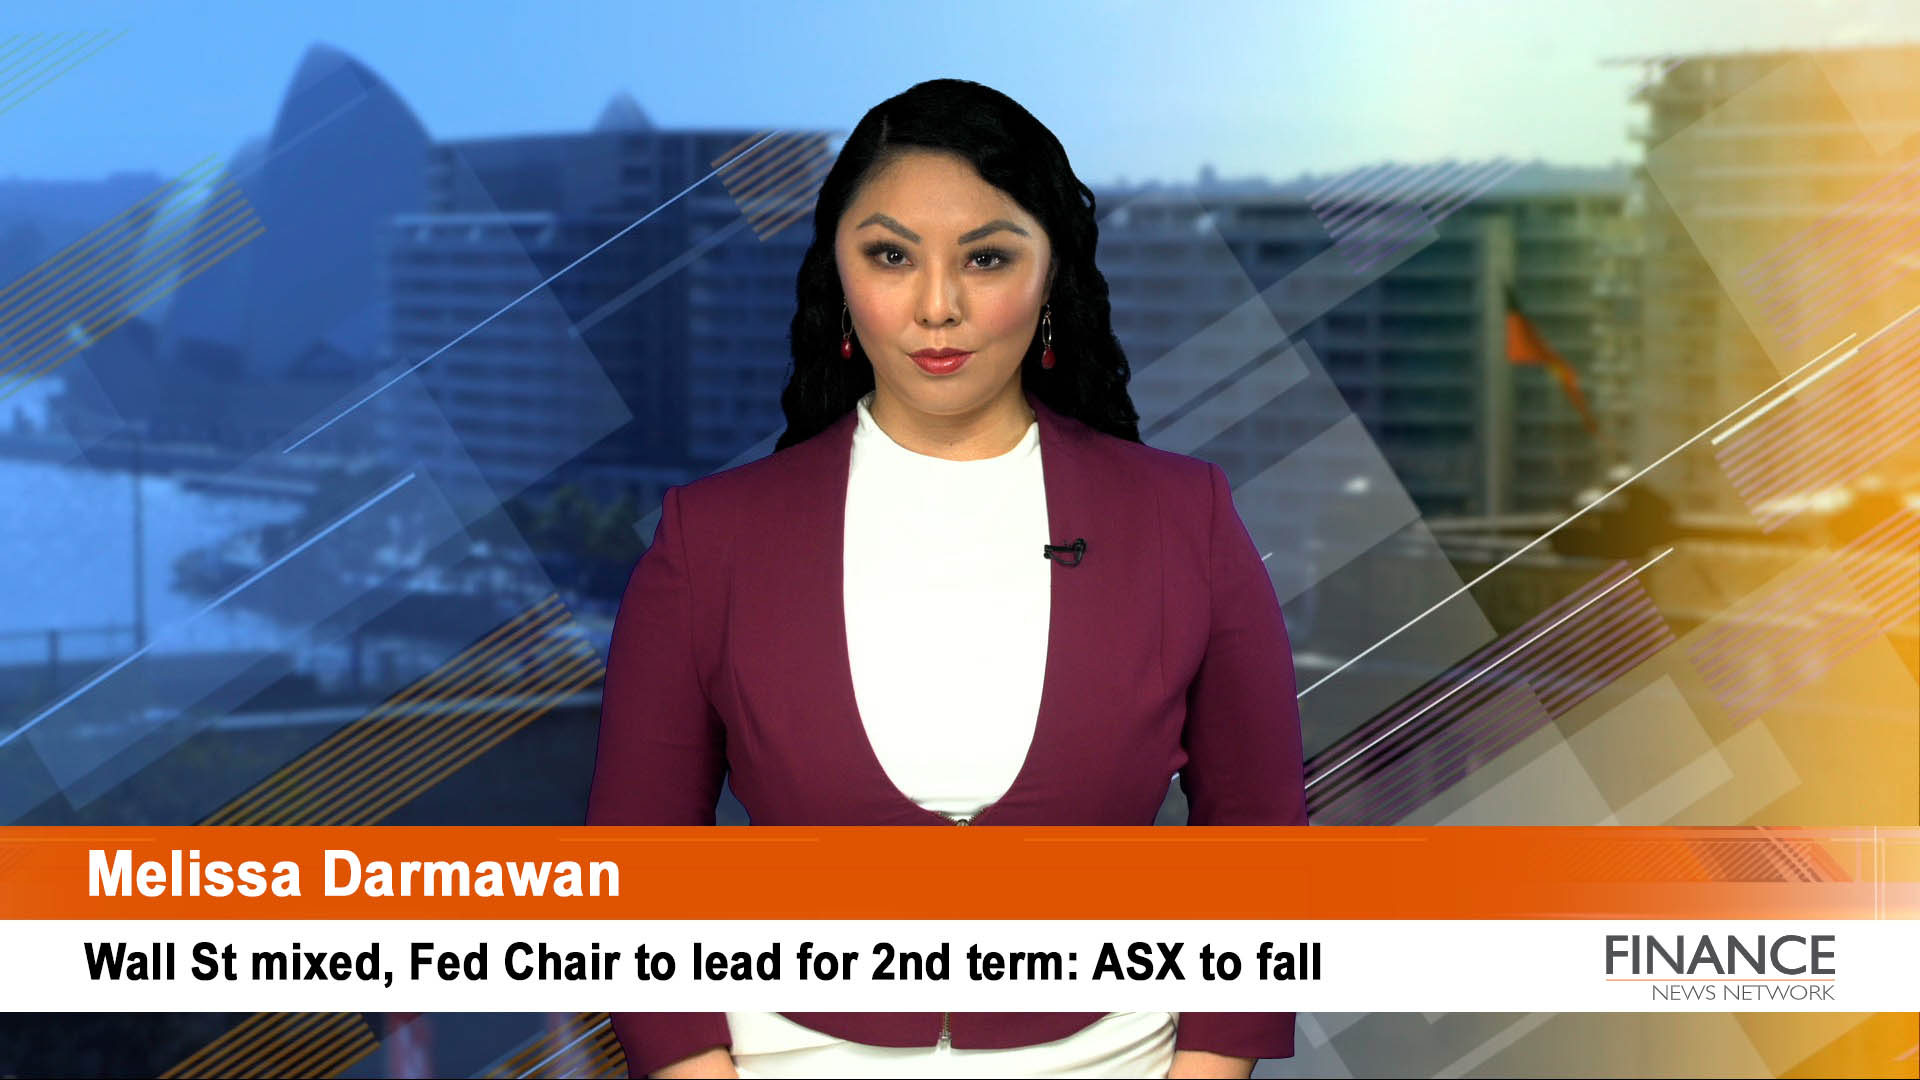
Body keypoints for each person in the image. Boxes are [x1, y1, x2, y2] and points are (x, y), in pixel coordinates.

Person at [587, 78, 1306, 1079]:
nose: (937, 307)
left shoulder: (1185, 519)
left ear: (1051, 276)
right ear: (838, 276)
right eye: (891, 256)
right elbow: (637, 863)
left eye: (987, 258)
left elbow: (1261, 843)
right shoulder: (709, 540)